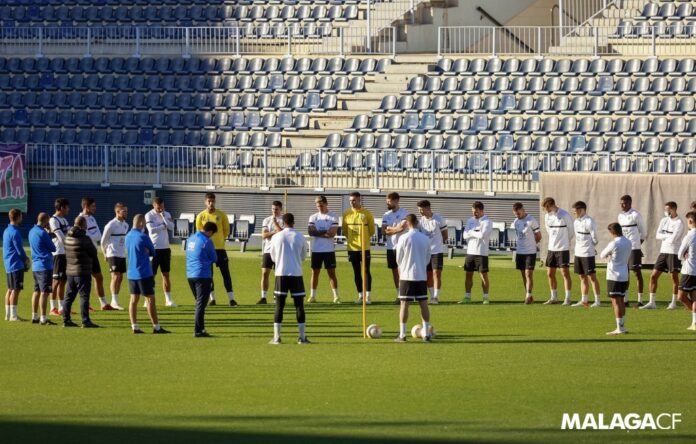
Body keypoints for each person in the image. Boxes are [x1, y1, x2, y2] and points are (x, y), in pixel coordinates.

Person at [268, 213, 309, 345]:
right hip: (296, 274)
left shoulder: (276, 237)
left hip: (281, 274)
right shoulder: (300, 236)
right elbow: (303, 256)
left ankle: (277, 338)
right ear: (293, 222)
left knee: (279, 307)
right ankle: (302, 338)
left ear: (283, 222)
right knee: (299, 307)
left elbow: (272, 257)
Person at [126, 214, 169, 334]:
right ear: (141, 223)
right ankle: (156, 327)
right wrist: (146, 251)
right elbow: (153, 252)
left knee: (133, 300)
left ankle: (134, 326)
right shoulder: (143, 237)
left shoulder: (128, 236)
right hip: (144, 273)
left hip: (131, 273)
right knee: (150, 300)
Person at [394, 214, 432, 342]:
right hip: (421, 275)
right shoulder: (425, 238)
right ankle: (426, 334)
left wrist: (403, 266)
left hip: (406, 275)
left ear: (407, 223)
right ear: (416, 222)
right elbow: (428, 258)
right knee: (423, 303)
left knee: (404, 304)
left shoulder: (403, 238)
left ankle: (402, 335)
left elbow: (398, 258)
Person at [195, 192, 236, 306]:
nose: (211, 203)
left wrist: (220, 240)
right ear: (205, 202)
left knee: (226, 274)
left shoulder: (221, 215)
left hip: (220, 249)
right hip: (206, 250)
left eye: (212, 201)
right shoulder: (200, 216)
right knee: (209, 275)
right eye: (209, 201)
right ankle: (212, 299)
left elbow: (226, 230)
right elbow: (199, 233)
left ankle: (231, 299)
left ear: (215, 202)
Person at [646, 201, 684, 310]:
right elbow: (657, 235)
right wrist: (668, 235)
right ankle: (651, 302)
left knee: (674, 277)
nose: (665, 212)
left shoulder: (679, 223)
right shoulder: (664, 220)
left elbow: (674, 239)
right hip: (663, 251)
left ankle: (673, 303)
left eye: (667, 210)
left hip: (674, 252)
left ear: (673, 210)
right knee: (653, 276)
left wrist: (665, 236)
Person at [63, 216, 99, 328]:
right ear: (83, 225)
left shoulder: (67, 237)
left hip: (70, 271)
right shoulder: (85, 239)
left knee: (68, 297)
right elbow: (93, 252)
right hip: (82, 271)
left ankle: (66, 319)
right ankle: (85, 321)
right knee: (84, 297)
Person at [79, 197, 112, 311]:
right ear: (86, 207)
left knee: (98, 277)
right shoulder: (80, 219)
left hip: (93, 252)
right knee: (85, 280)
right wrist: (92, 235)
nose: (95, 208)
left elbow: (98, 235)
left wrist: (91, 235)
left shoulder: (92, 218)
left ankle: (103, 304)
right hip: (85, 253)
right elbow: (85, 235)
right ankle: (85, 305)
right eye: (93, 206)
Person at [342, 192, 375, 304]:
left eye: (354, 200)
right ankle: (360, 295)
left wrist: (364, 239)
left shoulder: (367, 213)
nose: (352, 202)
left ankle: (368, 296)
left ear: (359, 200)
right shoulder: (347, 214)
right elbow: (345, 231)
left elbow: (372, 231)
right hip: (352, 248)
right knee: (356, 272)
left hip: (364, 248)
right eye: (350, 200)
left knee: (366, 271)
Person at [186, 222, 218, 337]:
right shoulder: (206, 241)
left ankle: (202, 328)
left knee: (199, 303)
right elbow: (214, 258)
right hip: (203, 275)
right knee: (201, 304)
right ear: (210, 231)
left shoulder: (191, 239)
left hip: (190, 274)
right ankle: (198, 330)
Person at [600, 222, 632, 335]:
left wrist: (609, 255)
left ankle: (619, 328)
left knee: (616, 302)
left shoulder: (613, 243)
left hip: (613, 275)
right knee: (621, 300)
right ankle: (622, 325)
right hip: (624, 275)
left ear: (612, 232)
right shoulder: (628, 242)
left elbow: (602, 255)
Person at [307, 195, 340, 304]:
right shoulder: (313, 217)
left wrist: (318, 233)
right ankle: (312, 296)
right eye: (317, 205)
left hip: (328, 250)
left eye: (321, 205)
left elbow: (331, 233)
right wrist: (324, 232)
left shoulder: (333, 216)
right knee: (314, 273)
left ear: (326, 203)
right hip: (316, 250)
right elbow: (311, 232)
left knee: (331, 273)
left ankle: (336, 296)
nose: (319, 207)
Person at [145, 197, 176, 307]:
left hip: (165, 248)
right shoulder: (149, 215)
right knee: (151, 275)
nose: (160, 209)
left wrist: (164, 218)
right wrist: (163, 225)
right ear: (154, 206)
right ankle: (147, 299)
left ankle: (168, 300)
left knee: (166, 274)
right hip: (154, 248)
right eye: (158, 208)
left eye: (162, 207)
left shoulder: (166, 214)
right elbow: (151, 230)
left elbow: (172, 227)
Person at [542, 197, 574, 305]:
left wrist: (565, 242)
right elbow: (548, 230)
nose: (546, 210)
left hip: (563, 248)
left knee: (565, 273)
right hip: (551, 248)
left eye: (547, 207)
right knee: (550, 273)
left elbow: (571, 231)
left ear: (552, 205)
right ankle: (553, 297)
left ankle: (567, 298)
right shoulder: (547, 216)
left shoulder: (564, 215)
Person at [618, 195, 647, 307]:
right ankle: (625, 300)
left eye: (624, 203)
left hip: (634, 248)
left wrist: (637, 246)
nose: (622, 205)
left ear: (630, 203)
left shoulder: (636, 215)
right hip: (623, 248)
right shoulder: (620, 216)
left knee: (636, 272)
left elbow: (643, 232)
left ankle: (640, 300)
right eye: (620, 203)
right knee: (625, 273)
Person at [417, 200, 448, 304]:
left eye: (421, 209)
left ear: (428, 208)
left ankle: (436, 296)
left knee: (436, 273)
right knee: (428, 274)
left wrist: (437, 244)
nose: (420, 212)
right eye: (419, 209)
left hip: (437, 251)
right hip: (425, 252)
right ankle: (432, 296)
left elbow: (445, 236)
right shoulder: (420, 221)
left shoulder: (438, 218)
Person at [461, 201, 492, 304]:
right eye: (473, 211)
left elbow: (482, 235)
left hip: (481, 252)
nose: (474, 214)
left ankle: (486, 297)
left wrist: (471, 232)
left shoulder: (487, 221)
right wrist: (475, 233)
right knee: (468, 275)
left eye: (476, 212)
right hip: (470, 251)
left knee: (483, 275)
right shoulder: (470, 220)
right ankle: (467, 297)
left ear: (482, 210)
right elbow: (464, 235)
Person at [571, 201, 601, 308]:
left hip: (588, 253)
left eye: (575, 212)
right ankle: (584, 300)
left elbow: (595, 239)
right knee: (581, 277)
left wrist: (590, 248)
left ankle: (597, 301)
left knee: (592, 277)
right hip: (578, 252)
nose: (574, 213)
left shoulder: (590, 221)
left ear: (582, 210)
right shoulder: (575, 222)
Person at [29, 213, 57, 325]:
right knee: (44, 292)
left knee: (36, 291)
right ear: (46, 221)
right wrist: (49, 233)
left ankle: (34, 316)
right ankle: (43, 318)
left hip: (35, 266)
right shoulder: (42, 233)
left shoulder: (32, 231)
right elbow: (53, 247)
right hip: (44, 265)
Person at [101, 202, 129, 310]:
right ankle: (113, 301)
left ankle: (115, 300)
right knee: (115, 276)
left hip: (121, 254)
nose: (126, 213)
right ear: (117, 212)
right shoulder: (110, 225)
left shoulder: (126, 225)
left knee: (120, 277)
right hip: (112, 253)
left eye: (126, 211)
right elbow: (103, 241)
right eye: (124, 211)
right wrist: (105, 254)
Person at [512, 203, 541, 304]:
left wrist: (533, 244)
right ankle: (529, 295)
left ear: (523, 210)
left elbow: (538, 236)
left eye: (519, 213)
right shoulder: (516, 222)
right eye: (516, 214)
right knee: (523, 274)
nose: (517, 216)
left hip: (530, 252)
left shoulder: (531, 220)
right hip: (520, 251)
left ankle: (528, 295)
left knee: (528, 273)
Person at [382, 192, 408, 304]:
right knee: (394, 271)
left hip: (402, 246)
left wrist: (391, 229)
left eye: (390, 201)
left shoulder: (404, 213)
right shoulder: (386, 215)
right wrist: (394, 229)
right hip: (390, 247)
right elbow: (383, 230)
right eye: (387, 201)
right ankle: (399, 294)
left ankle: (406, 293)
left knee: (403, 270)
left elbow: (401, 228)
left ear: (396, 201)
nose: (388, 203)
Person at [3, 209, 28, 322]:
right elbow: (19, 250)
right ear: (18, 217)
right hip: (16, 263)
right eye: (21, 216)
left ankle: (8, 315)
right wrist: (26, 259)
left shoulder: (7, 230)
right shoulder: (15, 232)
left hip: (8, 264)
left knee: (10, 289)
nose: (22, 218)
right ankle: (13, 315)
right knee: (16, 289)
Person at [259, 201, 284, 305]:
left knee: (278, 274)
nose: (274, 211)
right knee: (265, 273)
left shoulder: (284, 220)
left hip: (279, 251)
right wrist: (274, 232)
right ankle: (263, 297)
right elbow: (264, 235)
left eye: (276, 209)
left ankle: (276, 296)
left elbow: (283, 233)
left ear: (280, 209)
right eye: (273, 209)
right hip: (268, 250)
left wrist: (276, 224)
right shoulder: (266, 220)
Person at [49, 198, 70, 316]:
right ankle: (53, 308)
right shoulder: (53, 220)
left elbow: (68, 234)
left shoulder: (64, 220)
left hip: (65, 253)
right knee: (56, 281)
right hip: (57, 253)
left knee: (63, 281)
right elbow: (61, 237)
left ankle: (62, 308)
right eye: (67, 207)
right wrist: (71, 244)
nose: (68, 209)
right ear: (62, 207)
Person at [677, 211, 696, 330]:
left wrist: (685, 255)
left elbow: (679, 254)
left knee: (681, 296)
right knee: (694, 297)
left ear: (690, 221)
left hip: (689, 270)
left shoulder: (690, 236)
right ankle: (694, 323)